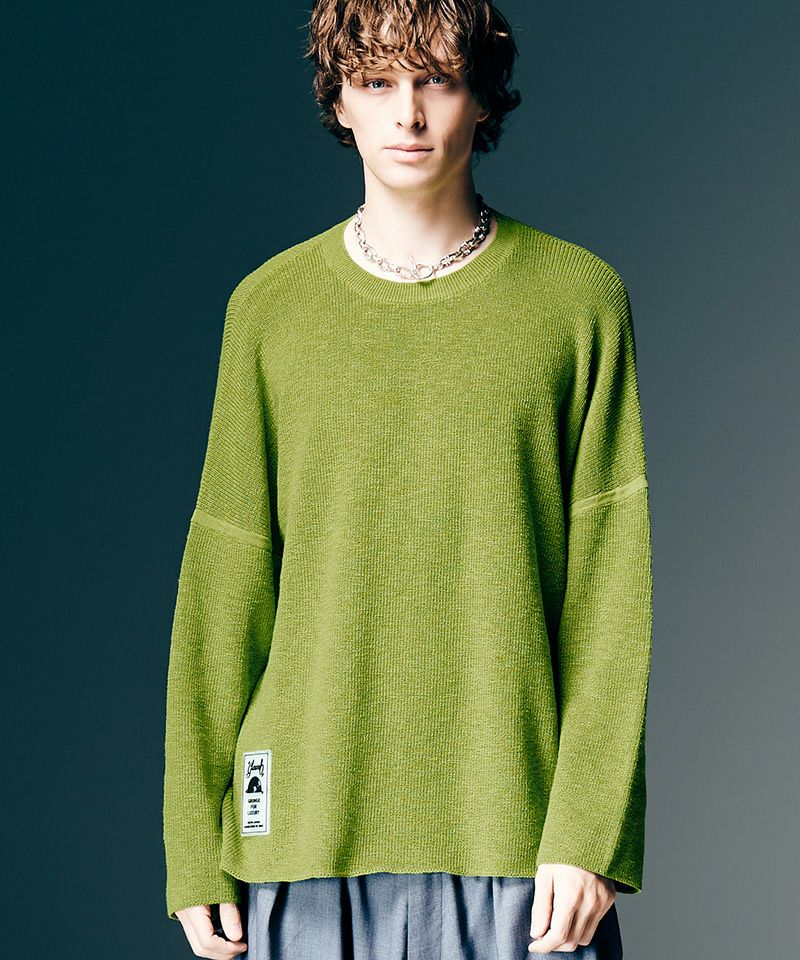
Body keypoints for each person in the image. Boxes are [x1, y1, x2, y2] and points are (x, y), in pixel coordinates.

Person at [162, 1, 653, 958]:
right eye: (378, 81)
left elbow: (611, 591)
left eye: (437, 79)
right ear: (339, 101)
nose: (409, 114)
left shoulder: (577, 301)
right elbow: (225, 582)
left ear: (483, 97)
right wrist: (193, 838)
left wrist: (592, 828)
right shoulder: (269, 310)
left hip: (523, 848)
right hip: (300, 843)